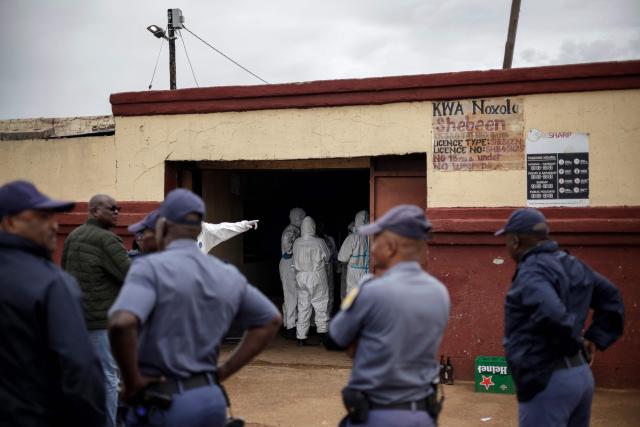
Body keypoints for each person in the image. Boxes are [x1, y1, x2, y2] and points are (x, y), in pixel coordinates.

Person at [108, 188, 281, 427]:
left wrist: (132, 381)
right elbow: (270, 320)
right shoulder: (225, 272)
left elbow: (121, 323)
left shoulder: (149, 268)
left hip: (164, 401)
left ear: (163, 226)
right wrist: (224, 370)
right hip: (210, 398)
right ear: (200, 229)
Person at [496, 208, 624, 427]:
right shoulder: (572, 264)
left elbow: (553, 314)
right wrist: (594, 338)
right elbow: (612, 297)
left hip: (549, 381)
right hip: (580, 376)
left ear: (515, 240)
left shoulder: (531, 272)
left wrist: (571, 344)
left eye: (507, 239)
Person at [325, 205, 450, 427]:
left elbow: (335, 338)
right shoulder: (439, 291)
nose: (372, 248)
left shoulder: (372, 290)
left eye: (377, 241)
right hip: (422, 415)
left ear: (391, 247)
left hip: (379, 415)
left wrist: (361, 339)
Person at [0, 180, 106, 427]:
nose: (54, 225)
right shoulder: (50, 283)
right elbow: (81, 368)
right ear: (10, 222)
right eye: (42, 216)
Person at [62, 193, 131, 427]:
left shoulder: (72, 236)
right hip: (102, 323)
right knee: (109, 379)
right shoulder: (107, 240)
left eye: (118, 208)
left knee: (85, 379)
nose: (117, 212)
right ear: (94, 212)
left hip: (78, 322)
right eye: (111, 208)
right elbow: (130, 277)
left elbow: (64, 274)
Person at [293, 216, 332, 346]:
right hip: (316, 276)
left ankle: (301, 338)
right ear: (313, 227)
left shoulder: (297, 242)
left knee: (303, 306)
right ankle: (322, 335)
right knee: (321, 304)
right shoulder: (319, 242)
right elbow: (327, 257)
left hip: (301, 277)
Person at [280, 207, 306, 339]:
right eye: (302, 217)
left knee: (290, 296)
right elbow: (288, 249)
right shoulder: (291, 231)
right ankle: (291, 327)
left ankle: (288, 324)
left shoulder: (295, 230)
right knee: (291, 296)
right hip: (289, 264)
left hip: (291, 265)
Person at [338, 210, 370, 296]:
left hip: (354, 273)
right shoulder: (372, 237)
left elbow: (342, 257)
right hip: (367, 272)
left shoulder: (352, 238)